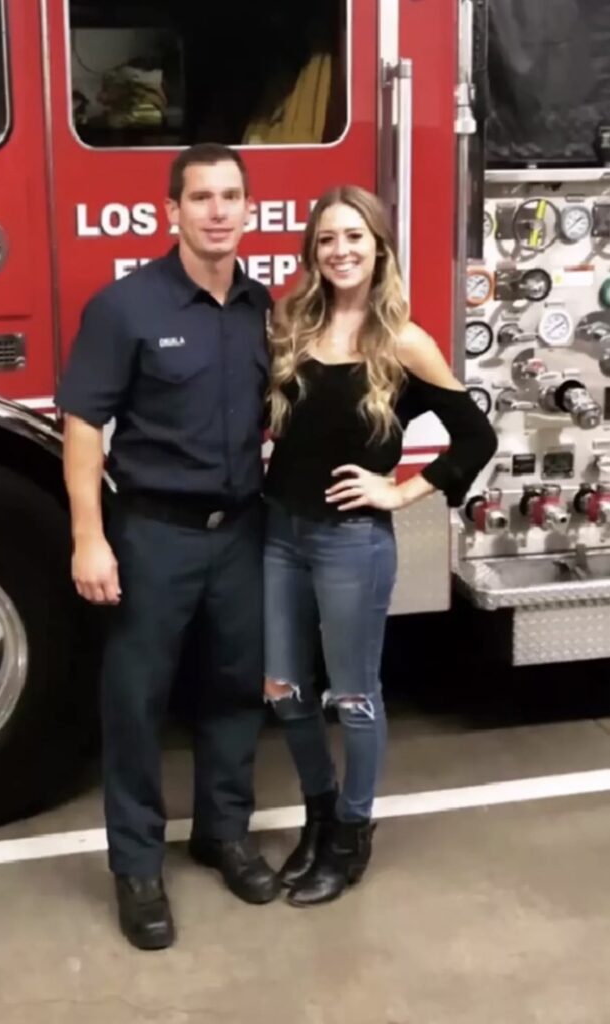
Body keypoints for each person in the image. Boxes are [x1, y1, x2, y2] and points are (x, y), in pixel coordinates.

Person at [56, 144, 278, 951]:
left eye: (231, 196)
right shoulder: (125, 307)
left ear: (248, 209)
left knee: (234, 692)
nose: (217, 211)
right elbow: (83, 424)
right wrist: (89, 538)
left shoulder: (261, 305)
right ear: (171, 211)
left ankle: (223, 834)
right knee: (136, 702)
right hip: (152, 534)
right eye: (201, 197)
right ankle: (137, 868)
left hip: (241, 532)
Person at [263, 185, 498, 908]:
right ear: (313, 251)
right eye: (327, 239)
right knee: (284, 689)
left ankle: (351, 836)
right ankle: (318, 817)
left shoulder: (402, 342)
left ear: (378, 248)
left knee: (354, 697)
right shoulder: (292, 325)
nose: (340, 251)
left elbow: (476, 437)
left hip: (351, 544)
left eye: (354, 237)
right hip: (280, 534)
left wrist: (397, 491)